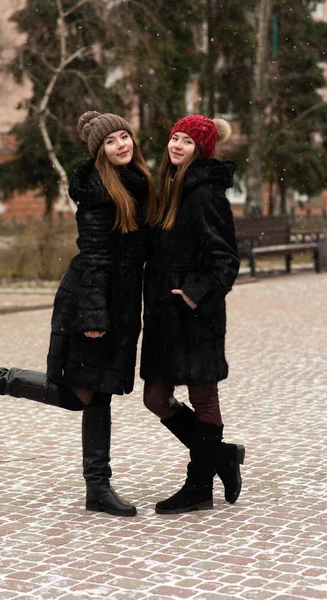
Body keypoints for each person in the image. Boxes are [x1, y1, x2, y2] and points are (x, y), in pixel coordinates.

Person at [0, 110, 156, 517]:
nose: (121, 145)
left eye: (124, 136)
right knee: (83, 394)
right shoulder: (99, 190)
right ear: (100, 152)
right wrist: (94, 317)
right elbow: (94, 256)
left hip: (120, 302)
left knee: (96, 394)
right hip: (95, 299)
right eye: (111, 141)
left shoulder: (138, 184)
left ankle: (98, 488)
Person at [141, 114, 245, 514]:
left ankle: (199, 486)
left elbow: (226, 260)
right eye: (175, 138)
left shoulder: (206, 193)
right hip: (164, 317)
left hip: (195, 316)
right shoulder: (170, 187)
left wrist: (193, 294)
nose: (177, 145)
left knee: (203, 397)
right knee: (155, 397)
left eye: (188, 141)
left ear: (202, 150)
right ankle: (220, 456)